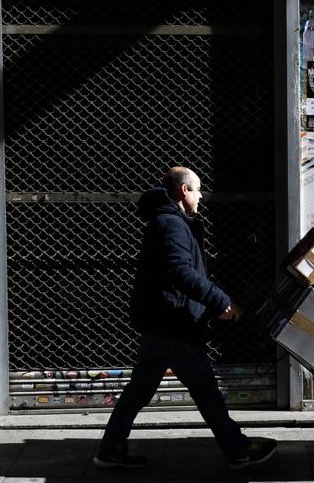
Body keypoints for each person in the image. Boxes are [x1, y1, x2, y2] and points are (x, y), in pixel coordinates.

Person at [93, 166, 277, 471]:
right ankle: (239, 450)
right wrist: (220, 300)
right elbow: (180, 272)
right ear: (183, 191)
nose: (202, 195)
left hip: (161, 324)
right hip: (174, 324)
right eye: (198, 189)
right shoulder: (171, 225)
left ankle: (110, 449)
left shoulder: (169, 222)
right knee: (207, 393)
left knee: (138, 391)